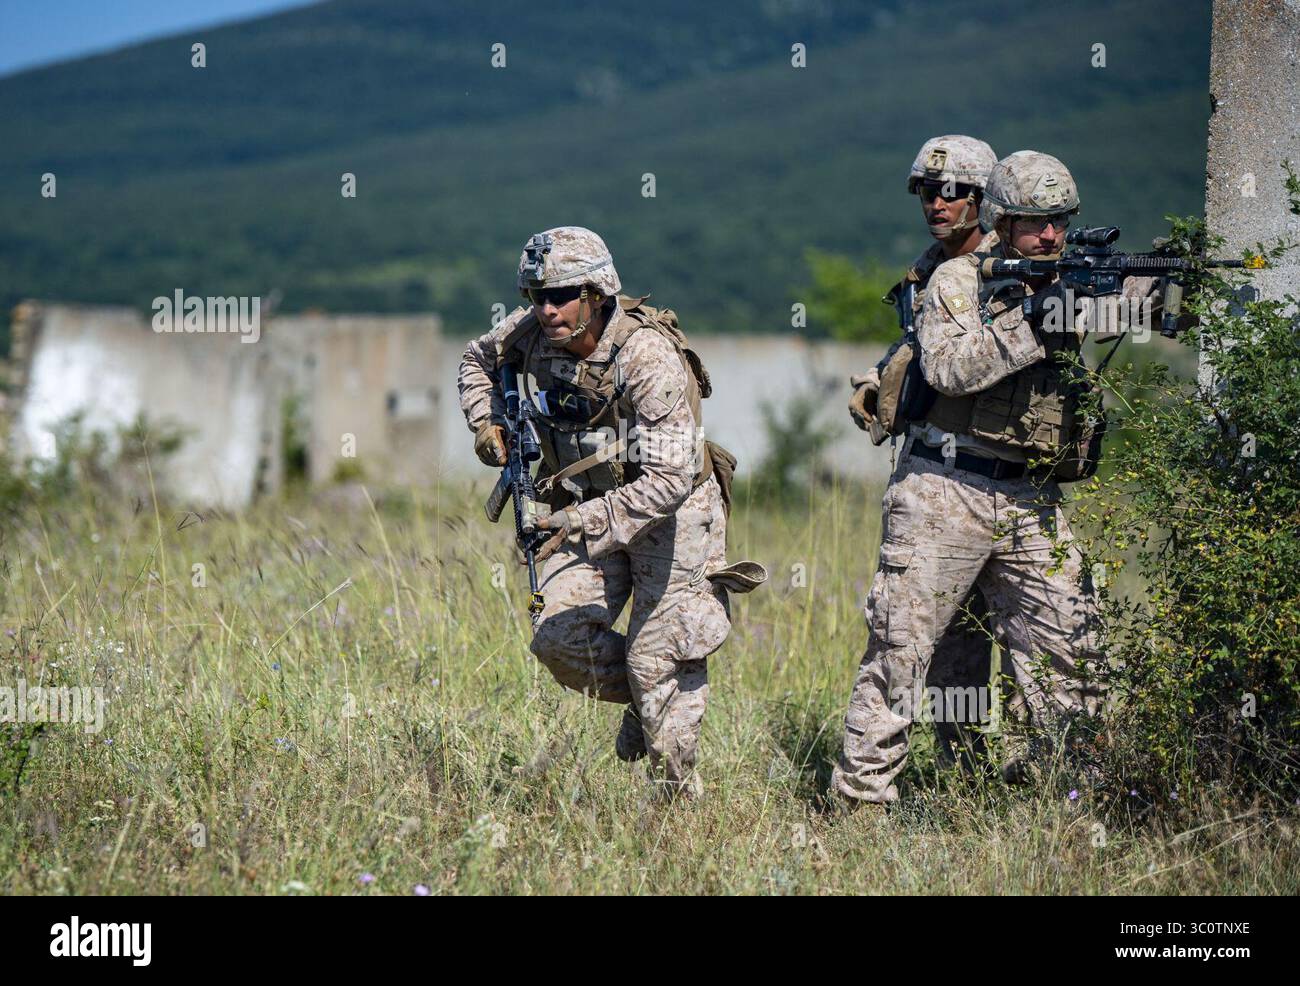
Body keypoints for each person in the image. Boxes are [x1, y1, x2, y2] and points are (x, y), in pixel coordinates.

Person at [832, 151, 1160, 805]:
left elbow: (1139, 317)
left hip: (1031, 493)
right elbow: (953, 370)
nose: (1051, 236)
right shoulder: (958, 280)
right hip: (945, 487)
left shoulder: (1066, 277)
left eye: (1060, 222)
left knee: (1071, 643)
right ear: (1003, 223)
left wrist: (1144, 286)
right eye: (1036, 224)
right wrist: (1040, 315)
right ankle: (862, 799)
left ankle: (1082, 798)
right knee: (903, 649)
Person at [457, 226, 764, 800]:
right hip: (581, 507)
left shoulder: (647, 356)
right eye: (535, 296)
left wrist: (584, 520)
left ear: (597, 293)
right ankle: (651, 699)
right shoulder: (530, 332)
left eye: (561, 295)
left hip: (671, 516)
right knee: (560, 640)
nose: (546, 309)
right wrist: (487, 422)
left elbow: (670, 480)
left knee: (655, 658)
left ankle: (678, 810)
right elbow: (475, 359)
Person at [847, 135, 1009, 770]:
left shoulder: (1010, 269)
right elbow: (919, 349)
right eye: (927, 191)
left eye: (952, 193)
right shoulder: (928, 270)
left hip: (1002, 477)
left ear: (984, 200)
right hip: (933, 478)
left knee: (1036, 651)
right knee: (937, 647)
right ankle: (960, 771)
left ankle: (1051, 782)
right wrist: (877, 378)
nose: (936, 203)